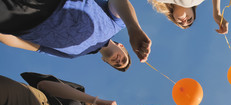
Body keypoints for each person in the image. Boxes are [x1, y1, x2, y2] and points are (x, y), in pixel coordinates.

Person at [0, 0, 151, 71]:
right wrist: (133, 28)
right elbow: (118, 1)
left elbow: (30, 46)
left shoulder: (74, 55)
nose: (118, 61)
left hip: (21, 23)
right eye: (123, 59)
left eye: (117, 64)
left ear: (105, 61)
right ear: (122, 46)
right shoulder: (117, 24)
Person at [147, 0, 228, 33]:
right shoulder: (191, 2)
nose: (184, 21)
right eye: (189, 20)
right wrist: (217, 13)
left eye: (180, 23)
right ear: (193, 11)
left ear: (173, 17)